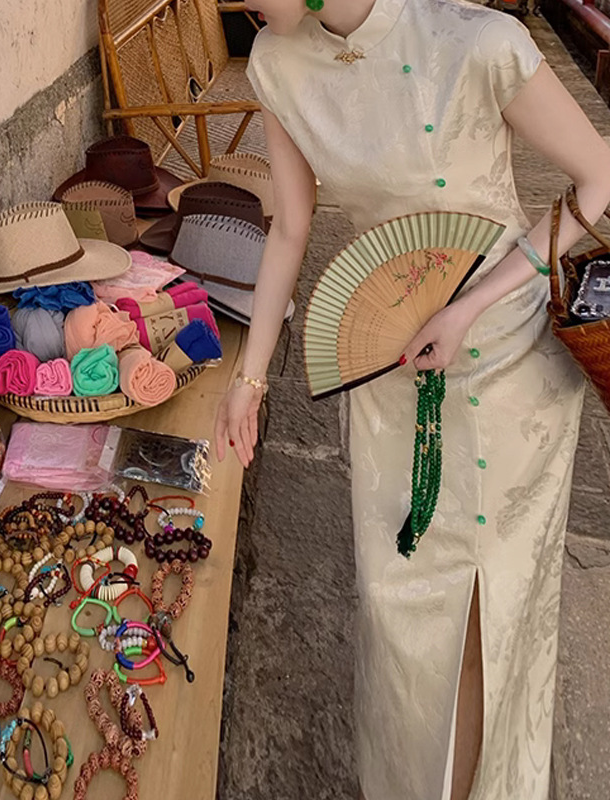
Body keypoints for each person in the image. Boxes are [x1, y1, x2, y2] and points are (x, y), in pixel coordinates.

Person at [213, 1, 610, 799]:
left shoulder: (479, 41)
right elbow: (290, 228)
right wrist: (248, 380)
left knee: (485, 614)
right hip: (391, 371)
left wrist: (471, 305)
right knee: (398, 617)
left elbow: (599, 175)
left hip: (507, 369)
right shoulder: (275, 63)